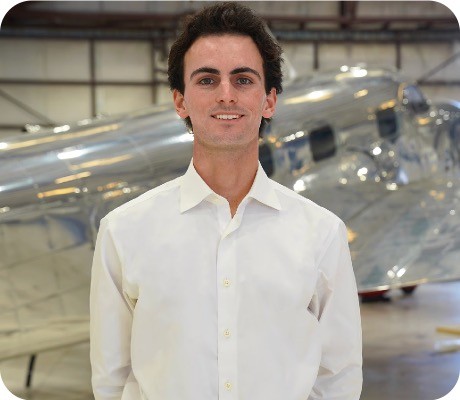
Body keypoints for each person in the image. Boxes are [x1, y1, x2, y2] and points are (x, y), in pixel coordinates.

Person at [90, 2, 362, 400]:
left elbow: (338, 376)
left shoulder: (322, 234)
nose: (226, 95)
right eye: (206, 80)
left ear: (269, 101)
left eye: (243, 80)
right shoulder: (123, 231)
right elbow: (111, 379)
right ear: (180, 101)